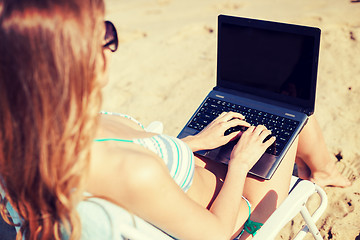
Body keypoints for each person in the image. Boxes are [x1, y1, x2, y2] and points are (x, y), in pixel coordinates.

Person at [0, 0, 351, 240]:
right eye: (103, 34)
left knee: (273, 108)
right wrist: (240, 164)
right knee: (291, 112)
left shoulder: (37, 138)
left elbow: (130, 161)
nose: (110, 44)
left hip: (200, 175)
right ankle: (322, 172)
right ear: (80, 61)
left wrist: (192, 144)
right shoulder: (133, 172)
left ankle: (319, 169)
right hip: (236, 212)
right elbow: (215, 233)